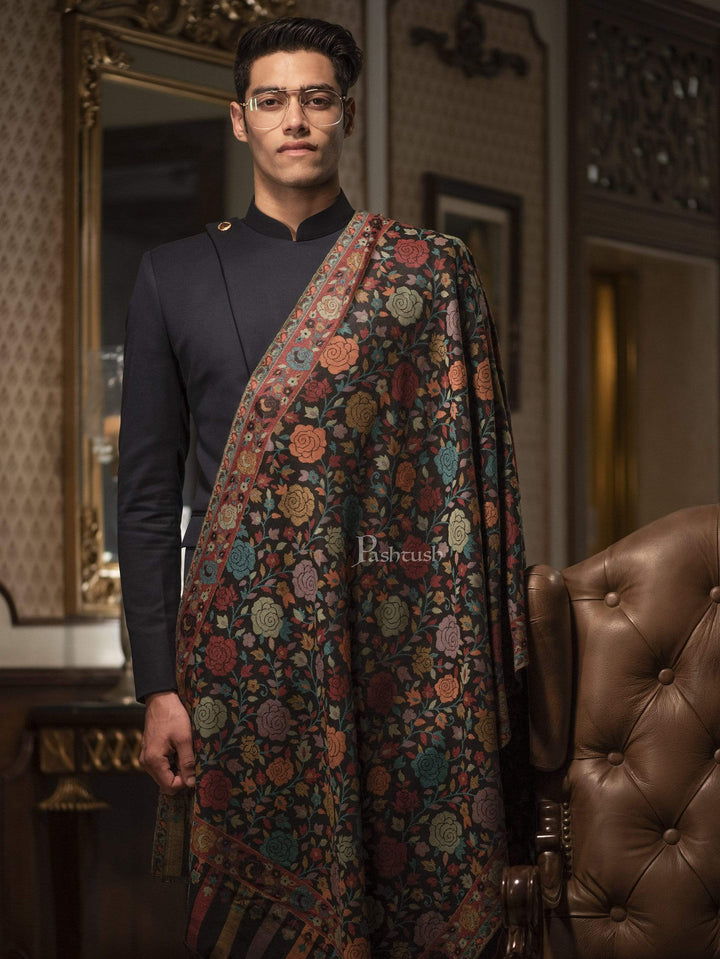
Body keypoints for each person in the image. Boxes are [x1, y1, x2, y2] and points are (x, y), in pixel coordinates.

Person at [118, 16, 528, 959]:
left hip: (402, 659)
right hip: (237, 663)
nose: (294, 119)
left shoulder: (426, 275)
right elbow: (144, 497)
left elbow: (470, 478)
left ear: (346, 114)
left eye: (315, 99)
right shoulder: (173, 276)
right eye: (271, 100)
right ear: (239, 119)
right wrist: (158, 686)